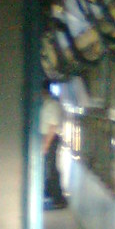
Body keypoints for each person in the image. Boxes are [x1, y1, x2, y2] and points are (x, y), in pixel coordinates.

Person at [40, 78, 67, 209]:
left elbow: (53, 126)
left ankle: (58, 199)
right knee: (48, 167)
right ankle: (49, 193)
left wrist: (45, 145)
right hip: (46, 137)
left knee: (51, 168)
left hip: (50, 138)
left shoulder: (52, 105)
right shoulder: (45, 103)